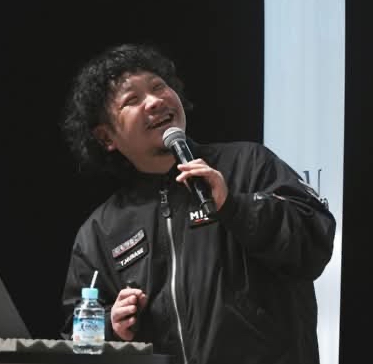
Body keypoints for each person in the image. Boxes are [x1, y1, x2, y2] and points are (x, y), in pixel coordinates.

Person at [59, 43, 336, 364]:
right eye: (132, 100)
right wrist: (111, 325)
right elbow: (76, 336)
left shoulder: (248, 164)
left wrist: (234, 206)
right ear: (107, 137)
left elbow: (313, 242)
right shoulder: (101, 229)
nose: (155, 101)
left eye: (158, 86)